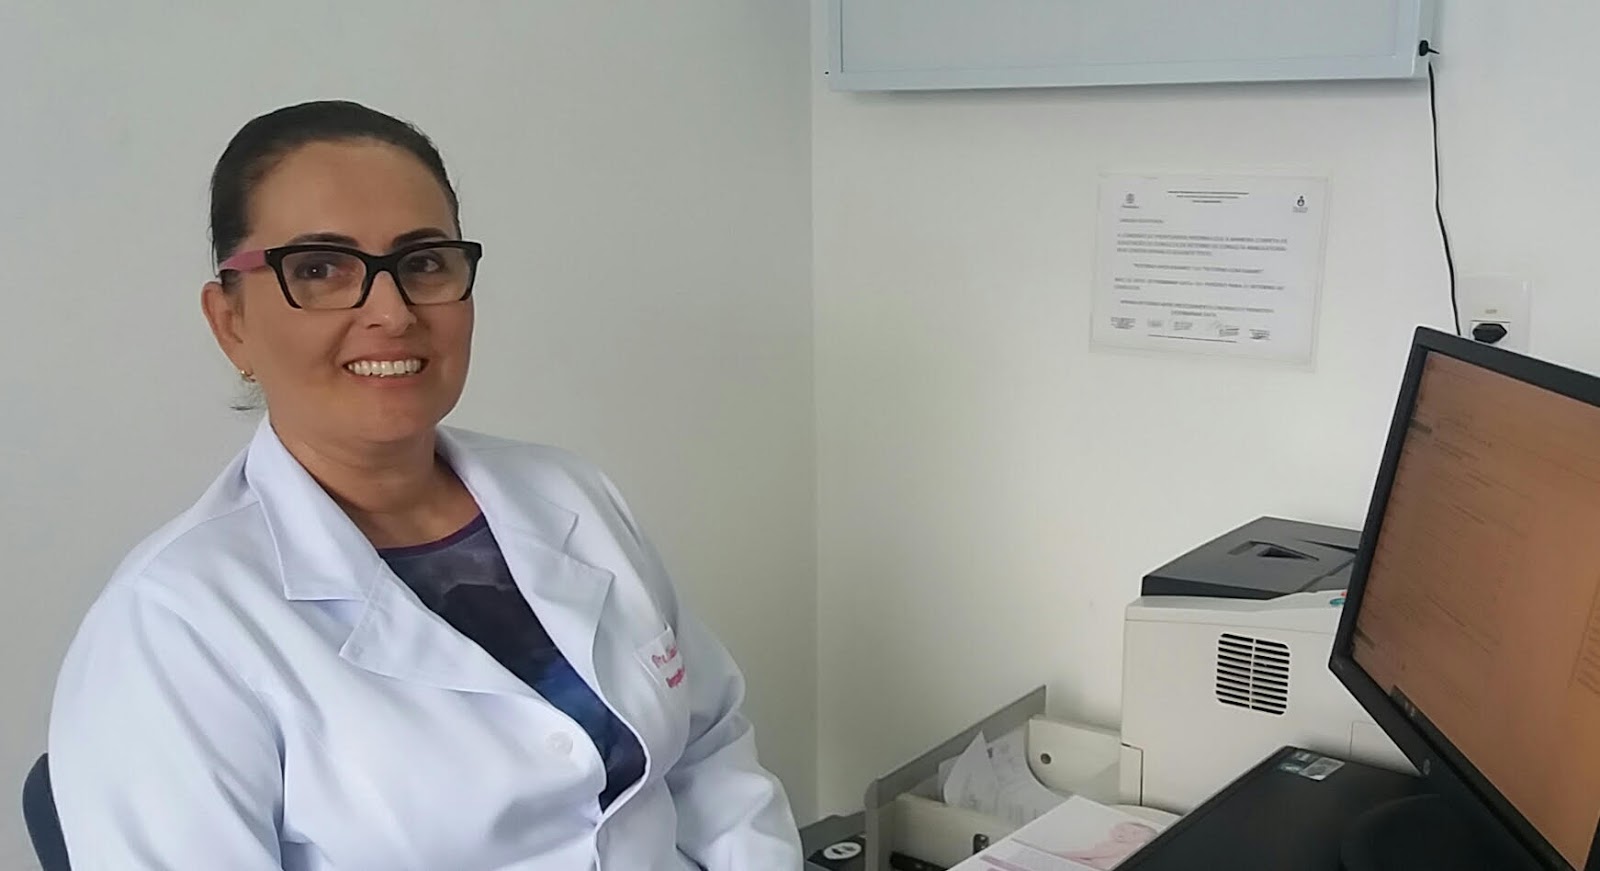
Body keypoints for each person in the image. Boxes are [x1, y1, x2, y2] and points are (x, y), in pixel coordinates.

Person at [47, 100, 803, 870]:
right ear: (230, 321)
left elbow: (708, 751)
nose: (392, 311)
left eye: (423, 263)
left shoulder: (572, 494)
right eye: (319, 269)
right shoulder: (172, 624)